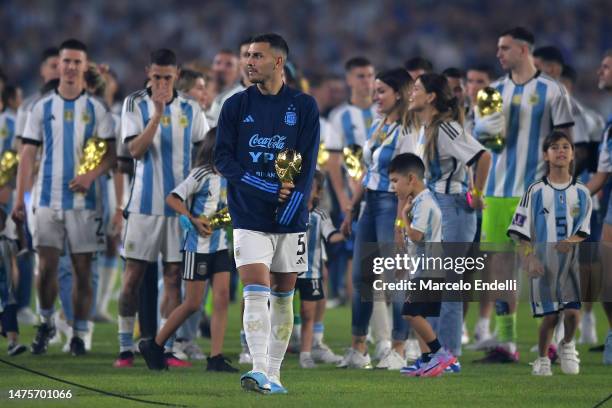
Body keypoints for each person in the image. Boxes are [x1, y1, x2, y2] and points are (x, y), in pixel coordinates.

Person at [215, 33, 319, 394]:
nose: (248, 61)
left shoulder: (304, 106)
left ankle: (274, 374)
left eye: (256, 56)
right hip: (248, 215)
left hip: (290, 219)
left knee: (284, 295)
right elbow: (222, 160)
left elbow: (306, 163)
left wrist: (291, 204)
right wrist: (267, 189)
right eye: (247, 55)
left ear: (278, 62)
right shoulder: (235, 106)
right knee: (256, 291)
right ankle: (258, 369)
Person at [12, 39, 116, 356]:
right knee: (47, 268)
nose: (70, 67)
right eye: (65, 61)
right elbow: (27, 155)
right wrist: (19, 199)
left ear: (85, 66)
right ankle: (46, 322)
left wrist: (91, 175)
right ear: (59, 65)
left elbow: (112, 155)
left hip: (85, 203)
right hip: (46, 200)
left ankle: (80, 335)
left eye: (76, 62)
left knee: (83, 270)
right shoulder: (40, 108)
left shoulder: (97, 109)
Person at [479, 27, 574, 363]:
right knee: (501, 270)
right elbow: (486, 144)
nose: (498, 53)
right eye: (498, 47)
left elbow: (565, 143)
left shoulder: (553, 91)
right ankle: (507, 343)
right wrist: (487, 134)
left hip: (535, 192)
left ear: (523, 49)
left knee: (544, 268)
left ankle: (553, 340)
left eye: (504, 48)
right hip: (497, 191)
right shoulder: (493, 91)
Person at [114, 48, 209, 368]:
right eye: (156, 77)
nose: (162, 83)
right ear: (148, 73)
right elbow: (135, 151)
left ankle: (163, 348)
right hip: (142, 207)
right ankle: (125, 347)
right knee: (132, 278)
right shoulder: (134, 103)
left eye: (168, 78)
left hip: (177, 210)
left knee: (172, 278)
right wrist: (156, 115)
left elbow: (201, 155)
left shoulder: (191, 109)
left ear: (177, 75)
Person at [409, 72, 491, 365]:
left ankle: (450, 356)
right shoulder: (427, 127)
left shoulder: (445, 129)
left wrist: (477, 193)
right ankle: (433, 354)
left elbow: (482, 156)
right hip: (437, 206)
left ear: (431, 96)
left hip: (454, 208)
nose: (411, 93)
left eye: (416, 88)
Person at [139, 127, 237, 372]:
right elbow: (173, 197)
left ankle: (215, 357)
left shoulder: (231, 175)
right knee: (193, 303)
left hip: (220, 245)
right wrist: (191, 218)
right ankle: (155, 344)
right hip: (197, 246)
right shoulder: (201, 173)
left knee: (222, 298)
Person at [338, 68, 416, 370]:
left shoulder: (408, 131)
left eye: (381, 91)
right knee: (362, 279)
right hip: (370, 204)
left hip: (391, 206)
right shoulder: (381, 124)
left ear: (398, 94)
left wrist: (400, 224)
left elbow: (408, 182)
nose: (375, 96)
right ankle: (359, 348)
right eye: (375, 91)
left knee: (396, 279)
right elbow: (368, 171)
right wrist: (351, 209)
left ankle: (399, 348)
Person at [508, 131, 591, 375]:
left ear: (573, 153)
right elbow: (519, 231)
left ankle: (567, 344)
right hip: (544, 265)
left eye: (566, 146)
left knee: (574, 313)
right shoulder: (534, 191)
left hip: (572, 265)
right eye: (554, 147)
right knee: (551, 317)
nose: (561, 151)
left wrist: (570, 241)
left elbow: (584, 229)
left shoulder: (582, 193)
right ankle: (543, 358)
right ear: (546, 155)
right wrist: (529, 257)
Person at [388, 152, 457, 377]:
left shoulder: (424, 203)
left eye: (395, 181)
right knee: (419, 314)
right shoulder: (421, 200)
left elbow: (416, 235)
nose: (393, 188)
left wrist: (405, 217)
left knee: (410, 313)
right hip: (426, 267)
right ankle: (428, 360)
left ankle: (441, 354)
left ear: (411, 179)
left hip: (429, 269)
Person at [298, 170, 344, 368]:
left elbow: (331, 235)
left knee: (308, 312)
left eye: (311, 187)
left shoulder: (320, 216)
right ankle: (273, 350)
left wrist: (345, 233)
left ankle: (306, 354)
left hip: (311, 271)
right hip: (287, 269)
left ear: (318, 193)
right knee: (280, 310)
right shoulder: (289, 210)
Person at [586, 50, 612, 365]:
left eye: (606, 67)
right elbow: (602, 175)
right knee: (608, 279)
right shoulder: (609, 125)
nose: (600, 71)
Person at [206, 49, 245, 127]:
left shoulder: (241, 98)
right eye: (218, 63)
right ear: (211, 67)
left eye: (229, 64)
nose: (222, 68)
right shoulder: (197, 91)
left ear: (238, 71)